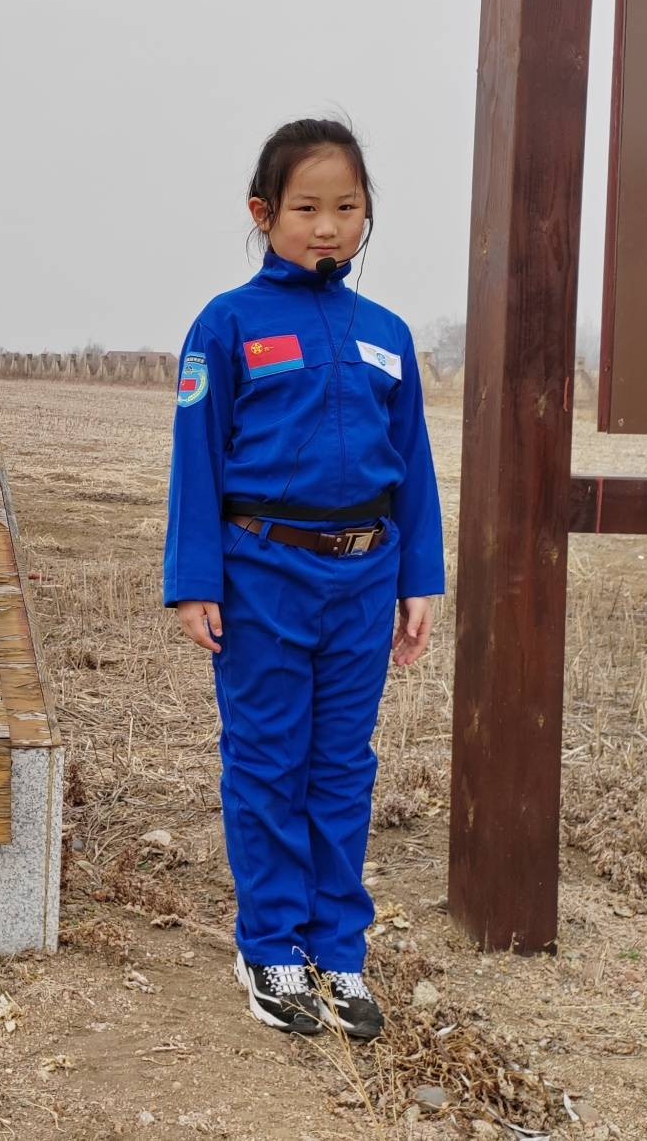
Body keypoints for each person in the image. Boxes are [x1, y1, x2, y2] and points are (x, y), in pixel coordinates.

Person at [162, 117, 444, 1041]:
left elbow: (413, 467)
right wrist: (195, 579)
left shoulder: (387, 335)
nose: (328, 227)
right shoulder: (229, 324)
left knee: (342, 767)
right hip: (262, 575)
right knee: (268, 762)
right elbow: (196, 460)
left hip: (363, 581)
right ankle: (272, 944)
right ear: (264, 213)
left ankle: (339, 950)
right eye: (307, 207)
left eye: (347, 208)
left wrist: (419, 580)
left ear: (369, 217)